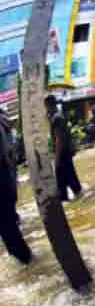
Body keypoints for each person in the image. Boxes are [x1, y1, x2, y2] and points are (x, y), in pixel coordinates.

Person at [0, 109, 32, 264]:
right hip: (7, 180)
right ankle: (26, 260)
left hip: (2, 182)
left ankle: (26, 261)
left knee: (8, 229)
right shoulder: (4, 123)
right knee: (10, 226)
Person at [46, 95, 82, 202]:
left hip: (62, 155)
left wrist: (56, 158)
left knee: (62, 183)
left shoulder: (56, 118)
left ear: (48, 106)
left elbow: (59, 140)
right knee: (70, 180)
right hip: (65, 154)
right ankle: (77, 199)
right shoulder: (59, 116)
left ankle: (70, 201)